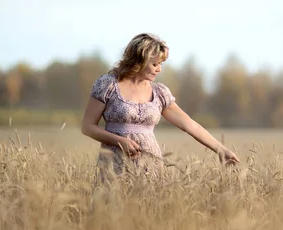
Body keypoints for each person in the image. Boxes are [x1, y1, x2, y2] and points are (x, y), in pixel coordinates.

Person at [81, 33, 239, 182]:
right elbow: (87, 127)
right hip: (113, 164)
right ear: (139, 60)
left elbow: (190, 125)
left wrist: (220, 149)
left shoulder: (159, 93)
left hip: (150, 165)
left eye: (161, 64)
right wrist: (119, 141)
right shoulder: (108, 84)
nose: (159, 69)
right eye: (154, 64)